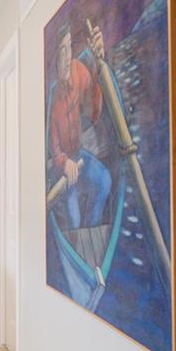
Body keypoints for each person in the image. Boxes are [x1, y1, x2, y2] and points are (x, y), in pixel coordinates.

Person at [49, 21, 112, 229]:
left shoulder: (78, 69)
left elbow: (94, 112)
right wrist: (64, 162)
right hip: (63, 168)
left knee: (104, 180)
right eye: (62, 51)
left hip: (79, 155)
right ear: (54, 58)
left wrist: (97, 64)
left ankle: (91, 230)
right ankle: (81, 234)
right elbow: (53, 146)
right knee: (73, 222)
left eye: (69, 48)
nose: (67, 57)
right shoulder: (51, 98)